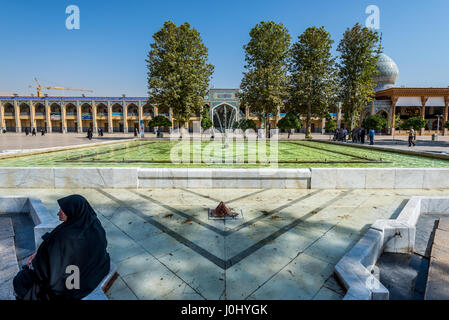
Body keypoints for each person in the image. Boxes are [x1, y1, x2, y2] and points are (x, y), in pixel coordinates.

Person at [13, 195, 110, 300]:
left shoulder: (67, 237)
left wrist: (35, 264)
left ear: (73, 211)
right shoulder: (93, 225)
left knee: (21, 281)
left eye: (62, 210)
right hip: (89, 273)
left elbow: (51, 270)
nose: (58, 213)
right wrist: (39, 253)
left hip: (67, 283)